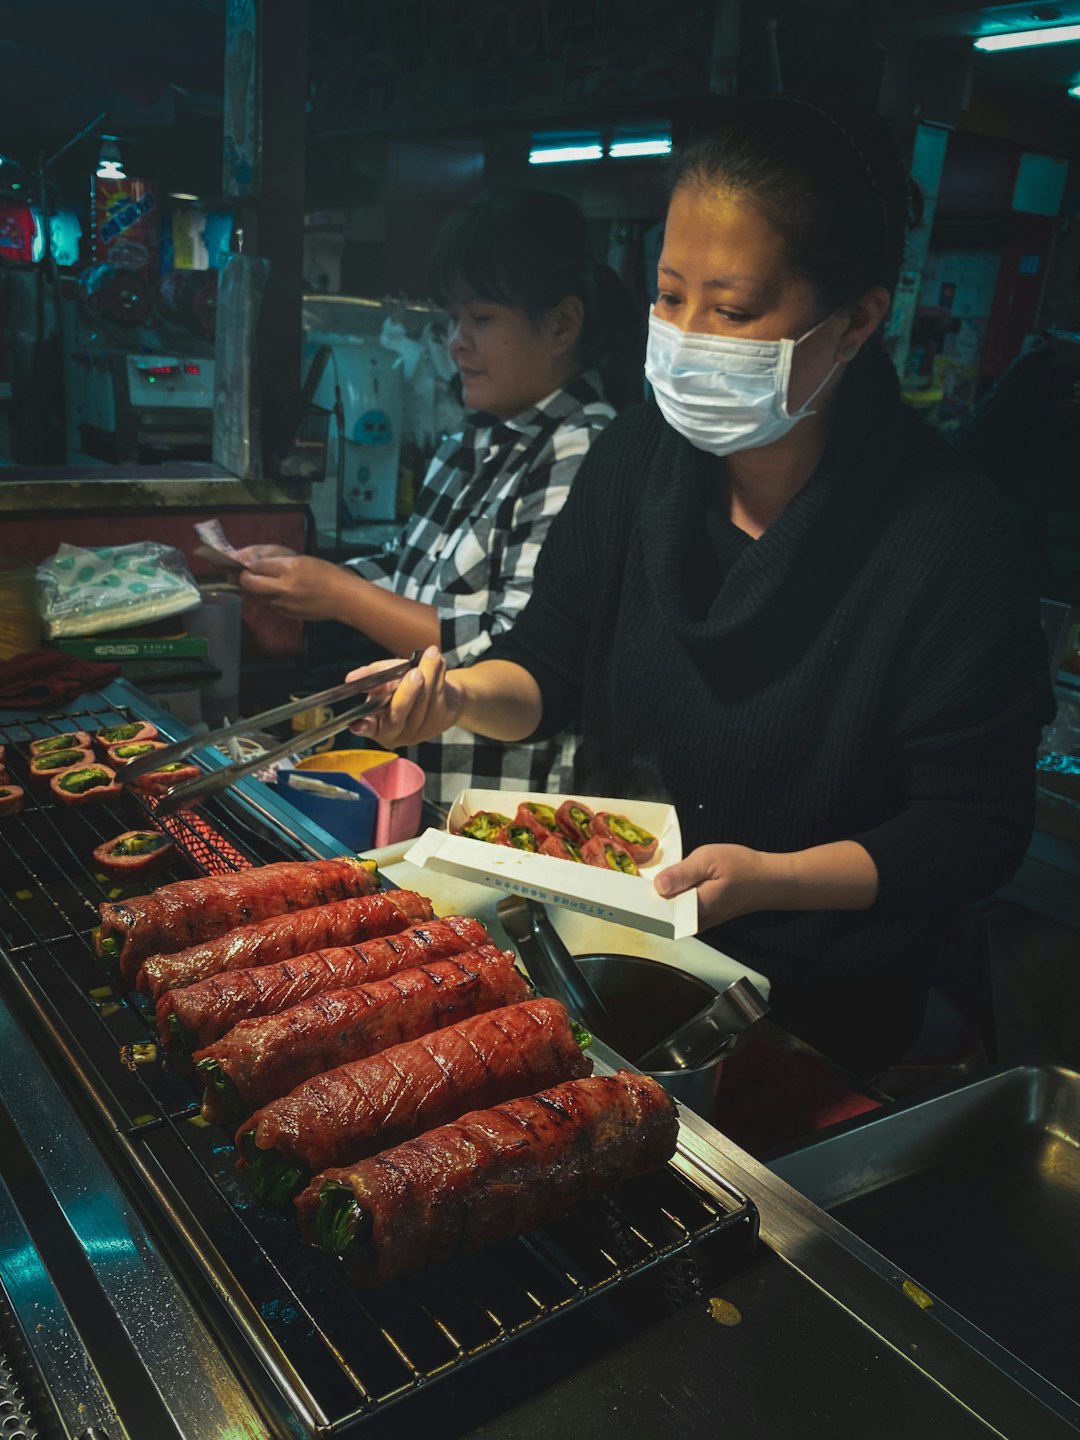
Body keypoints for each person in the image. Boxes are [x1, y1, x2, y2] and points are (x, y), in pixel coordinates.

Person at [343, 98, 1055, 1076]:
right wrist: (454, 696)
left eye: (732, 310)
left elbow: (974, 830)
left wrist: (771, 881)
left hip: (820, 1027)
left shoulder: (950, 537)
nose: (686, 335)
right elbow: (550, 667)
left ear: (856, 320)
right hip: (613, 956)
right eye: (670, 295)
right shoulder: (639, 459)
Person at [234, 189, 640, 807]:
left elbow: (513, 645)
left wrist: (341, 595)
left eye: (480, 319)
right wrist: (298, 580)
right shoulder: (472, 437)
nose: (456, 341)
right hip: (424, 778)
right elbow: (406, 568)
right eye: (454, 319)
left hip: (499, 795)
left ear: (561, 324)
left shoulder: (583, 448)